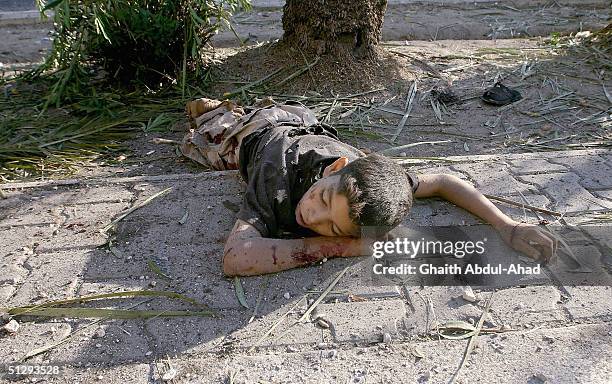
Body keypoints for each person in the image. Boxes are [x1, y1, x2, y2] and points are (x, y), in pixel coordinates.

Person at [181, 98, 556, 277]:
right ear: (341, 168)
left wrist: (508, 227)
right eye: (325, 197)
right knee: (202, 138)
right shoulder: (276, 172)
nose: (311, 213)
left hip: (304, 121)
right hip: (259, 136)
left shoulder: (375, 178)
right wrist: (339, 245)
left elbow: (442, 181)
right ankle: (217, 112)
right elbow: (235, 258)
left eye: (331, 224)